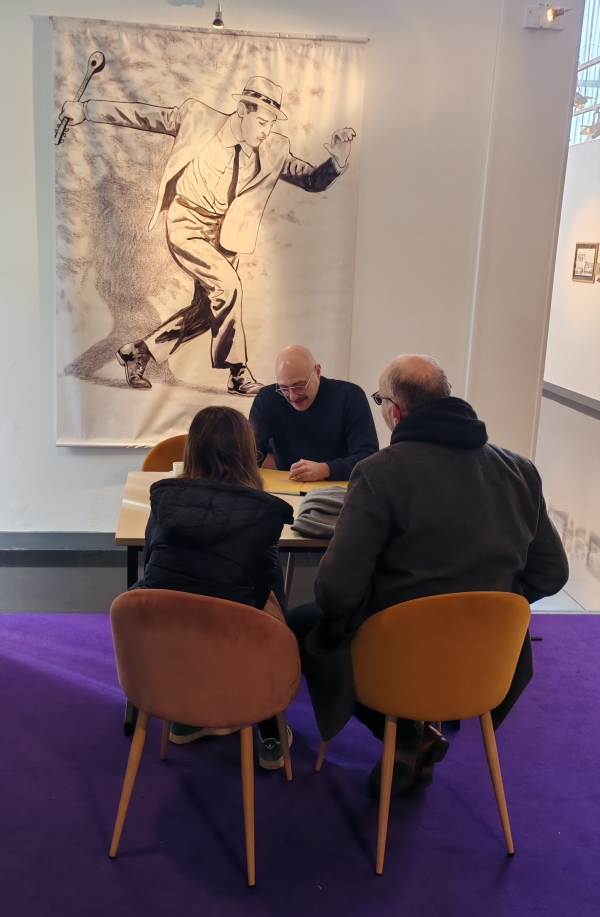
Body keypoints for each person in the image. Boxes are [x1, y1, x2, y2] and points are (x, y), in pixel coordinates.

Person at [291, 354, 569, 798]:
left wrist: (355, 620)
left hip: (398, 659)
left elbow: (337, 590)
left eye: (379, 399)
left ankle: (402, 734)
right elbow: (552, 573)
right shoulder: (520, 470)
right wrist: (492, 608)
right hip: (487, 660)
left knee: (303, 625)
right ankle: (417, 731)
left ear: (394, 412)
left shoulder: (380, 473)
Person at [60, 77, 355, 395]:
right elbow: (143, 116)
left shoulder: (274, 147)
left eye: (271, 124)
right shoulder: (197, 117)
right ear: (242, 109)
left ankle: (138, 353)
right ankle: (238, 373)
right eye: (262, 121)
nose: (266, 130)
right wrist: (87, 110)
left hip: (227, 237)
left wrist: (336, 160)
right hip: (186, 222)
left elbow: (311, 180)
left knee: (208, 310)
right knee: (228, 287)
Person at [132, 405, 294, 769]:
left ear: (193, 450)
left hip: (160, 647)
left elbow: (151, 564)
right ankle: (268, 722)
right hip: (233, 644)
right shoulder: (265, 512)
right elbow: (259, 590)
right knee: (272, 601)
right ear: (245, 453)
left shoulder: (163, 497)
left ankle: (187, 713)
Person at [249, 345, 379, 483]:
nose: (292, 397)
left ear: (317, 371)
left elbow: (368, 458)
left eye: (299, 386)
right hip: (288, 486)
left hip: (338, 487)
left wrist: (325, 469)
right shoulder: (267, 398)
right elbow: (250, 451)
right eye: (284, 388)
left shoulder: (350, 396)